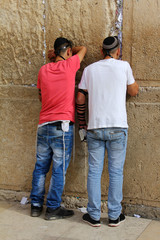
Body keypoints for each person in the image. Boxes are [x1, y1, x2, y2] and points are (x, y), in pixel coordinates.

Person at [76, 36, 139, 227]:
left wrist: (82, 124)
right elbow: (134, 91)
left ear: (102, 51)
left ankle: (94, 215)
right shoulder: (124, 66)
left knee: (94, 172)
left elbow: (80, 99)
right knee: (116, 172)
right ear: (117, 51)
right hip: (117, 127)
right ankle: (114, 216)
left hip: (95, 126)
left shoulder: (89, 70)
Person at [30, 37, 87, 220]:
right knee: (58, 169)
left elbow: (41, 97)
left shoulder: (43, 70)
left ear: (54, 52)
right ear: (69, 51)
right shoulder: (70, 65)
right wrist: (65, 51)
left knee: (40, 167)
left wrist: (54, 54)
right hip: (62, 127)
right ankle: (53, 208)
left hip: (43, 125)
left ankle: (36, 205)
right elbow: (83, 49)